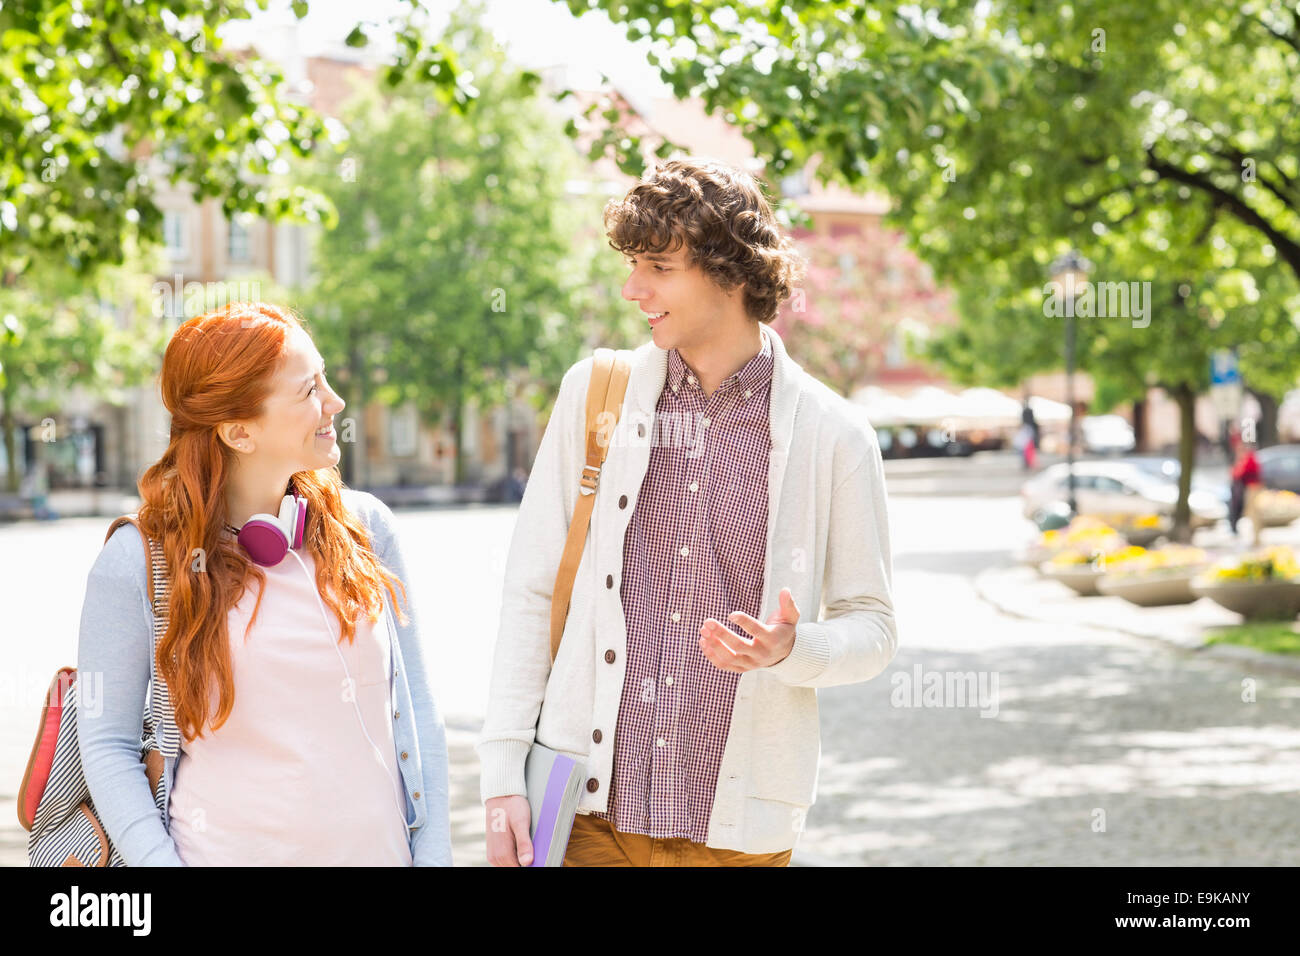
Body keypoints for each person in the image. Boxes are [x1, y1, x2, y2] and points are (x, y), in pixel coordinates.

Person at [478, 158, 898, 867]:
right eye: (633, 264)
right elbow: (530, 589)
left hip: (737, 832)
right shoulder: (597, 394)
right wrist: (500, 776)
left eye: (659, 267)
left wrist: (794, 650)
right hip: (584, 814)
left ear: (731, 273)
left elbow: (874, 626)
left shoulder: (834, 433)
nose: (633, 289)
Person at [76, 302, 451, 866]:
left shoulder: (368, 528)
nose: (335, 402)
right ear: (238, 431)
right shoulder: (137, 561)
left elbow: (417, 706)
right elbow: (108, 747)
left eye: (325, 378)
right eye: (309, 390)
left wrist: (435, 853)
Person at [1229, 436, 1264, 545]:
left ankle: (1256, 538)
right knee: (1251, 513)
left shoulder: (1248, 458)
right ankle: (1255, 537)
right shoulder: (1248, 458)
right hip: (1251, 488)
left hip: (1252, 488)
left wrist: (1238, 463)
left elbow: (1237, 473)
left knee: (1253, 513)